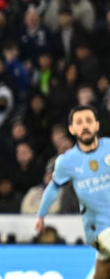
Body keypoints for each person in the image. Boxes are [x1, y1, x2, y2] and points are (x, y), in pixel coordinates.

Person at [36, 105, 110, 279]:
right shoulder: (66, 162)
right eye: (79, 122)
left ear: (97, 125)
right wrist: (41, 215)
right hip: (96, 229)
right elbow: (54, 187)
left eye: (88, 121)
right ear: (72, 129)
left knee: (103, 271)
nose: (84, 126)